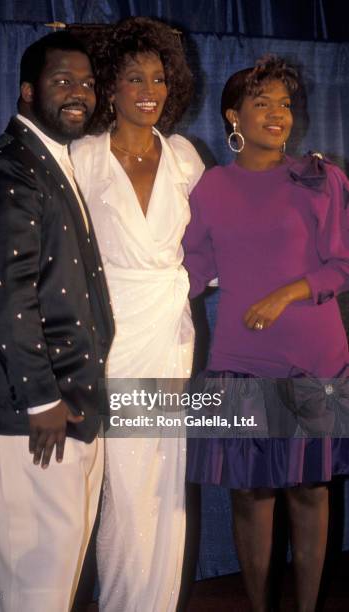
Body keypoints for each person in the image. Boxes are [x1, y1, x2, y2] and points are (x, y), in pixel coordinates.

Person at [183, 55, 349, 612]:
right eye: (262, 103)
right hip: (239, 358)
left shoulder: (322, 177)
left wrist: (285, 294)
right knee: (250, 495)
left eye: (284, 103)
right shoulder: (210, 187)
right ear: (234, 115)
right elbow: (191, 266)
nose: (278, 113)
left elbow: (342, 265)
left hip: (314, 359)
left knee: (308, 489)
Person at [0, 32, 114, 612]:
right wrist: (41, 400)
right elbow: (7, 298)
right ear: (27, 90)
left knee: (52, 569)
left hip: (65, 401)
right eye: (62, 81)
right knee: (35, 576)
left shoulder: (47, 160)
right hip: (31, 409)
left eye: (87, 83)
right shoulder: (8, 170)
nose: (79, 93)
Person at [70, 16, 204, 612]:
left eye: (158, 77)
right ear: (110, 85)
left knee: (158, 484)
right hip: (106, 333)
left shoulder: (184, 157)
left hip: (169, 333)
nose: (149, 90)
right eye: (133, 78)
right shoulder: (82, 157)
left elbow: (212, 247)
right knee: (114, 484)